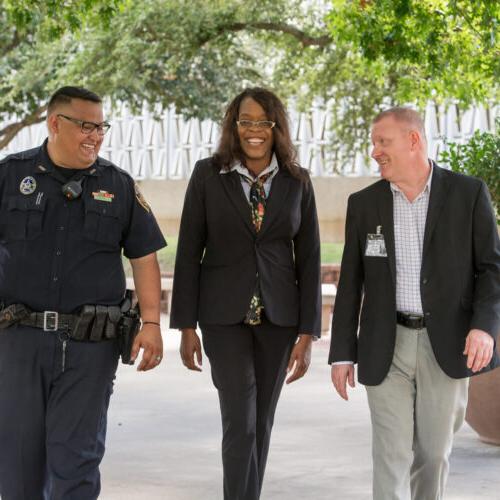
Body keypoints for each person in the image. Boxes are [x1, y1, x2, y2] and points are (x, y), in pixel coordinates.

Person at [0, 86, 167, 499]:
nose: (95, 135)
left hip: (89, 349)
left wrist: (151, 323)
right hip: (17, 343)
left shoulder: (118, 184)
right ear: (55, 123)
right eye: (86, 126)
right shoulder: (9, 175)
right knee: (17, 467)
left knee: (76, 462)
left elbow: (144, 257)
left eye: (101, 127)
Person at [329, 106, 500, 500]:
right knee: (389, 453)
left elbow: (491, 268)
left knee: (433, 454)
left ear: (413, 141)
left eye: (383, 142)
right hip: (385, 344)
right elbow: (351, 283)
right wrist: (342, 353)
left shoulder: (468, 193)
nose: (375, 151)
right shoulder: (364, 204)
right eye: (373, 143)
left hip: (447, 341)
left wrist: (484, 327)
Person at [170, 87, 321, 500]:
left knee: (263, 420)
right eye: (246, 122)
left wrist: (307, 335)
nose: (255, 131)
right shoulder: (207, 175)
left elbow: (309, 261)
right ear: (234, 127)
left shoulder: (297, 181)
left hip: (279, 319)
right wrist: (185, 326)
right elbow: (187, 252)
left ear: (277, 128)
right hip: (222, 318)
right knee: (240, 419)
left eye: (263, 122)